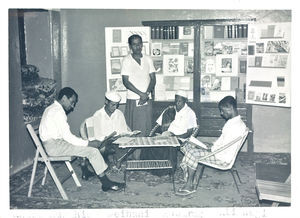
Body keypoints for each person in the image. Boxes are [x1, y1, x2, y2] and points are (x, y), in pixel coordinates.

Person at [39, 87, 125, 192]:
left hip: (53, 144)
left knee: (82, 144)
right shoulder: (58, 112)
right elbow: (68, 137)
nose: (72, 106)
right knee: (92, 151)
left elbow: (66, 137)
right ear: (64, 98)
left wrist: (85, 143)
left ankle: (86, 171)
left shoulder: (51, 108)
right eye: (72, 102)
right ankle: (106, 183)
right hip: (55, 146)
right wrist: (89, 143)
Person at [177, 96, 247, 196]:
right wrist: (210, 146)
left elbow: (225, 147)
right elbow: (224, 142)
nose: (221, 113)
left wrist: (211, 149)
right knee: (187, 145)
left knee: (191, 152)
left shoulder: (235, 126)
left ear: (230, 108)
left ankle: (189, 185)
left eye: (222, 111)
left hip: (221, 157)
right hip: (219, 151)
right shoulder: (235, 122)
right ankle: (191, 174)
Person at [140, 89, 198, 176]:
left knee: (168, 145)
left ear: (185, 101)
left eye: (180, 101)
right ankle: (151, 168)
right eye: (176, 101)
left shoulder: (190, 113)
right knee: (149, 142)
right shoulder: (169, 110)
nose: (177, 103)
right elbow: (159, 124)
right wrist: (158, 134)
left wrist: (175, 136)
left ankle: (166, 170)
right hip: (166, 134)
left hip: (180, 137)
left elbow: (189, 132)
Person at [121, 34, 156, 159]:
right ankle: (135, 157)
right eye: (135, 44)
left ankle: (145, 155)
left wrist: (146, 94)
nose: (138, 47)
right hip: (134, 98)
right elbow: (126, 81)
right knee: (135, 128)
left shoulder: (148, 59)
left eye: (139, 44)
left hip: (146, 99)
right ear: (130, 46)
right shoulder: (127, 60)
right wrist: (140, 94)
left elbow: (153, 79)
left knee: (146, 127)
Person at [83, 91, 135, 167]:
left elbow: (123, 130)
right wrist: (108, 138)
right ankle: (113, 159)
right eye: (113, 105)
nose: (114, 108)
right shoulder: (98, 115)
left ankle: (116, 159)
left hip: (118, 141)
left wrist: (126, 135)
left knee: (134, 142)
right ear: (106, 102)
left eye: (116, 105)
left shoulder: (119, 113)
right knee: (109, 145)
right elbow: (96, 136)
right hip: (104, 143)